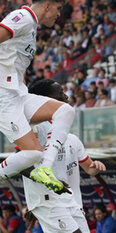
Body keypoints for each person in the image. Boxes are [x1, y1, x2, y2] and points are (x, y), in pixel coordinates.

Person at [0, 0, 75, 192]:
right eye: (58, 9)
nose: (59, 14)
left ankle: (45, 168)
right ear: (48, 5)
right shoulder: (23, 19)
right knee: (33, 153)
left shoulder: (31, 26)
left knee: (64, 111)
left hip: (18, 94)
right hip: (3, 99)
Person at [24, 79, 106, 233]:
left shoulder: (71, 138)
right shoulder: (37, 127)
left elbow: (89, 168)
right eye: (60, 93)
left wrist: (95, 167)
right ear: (46, 100)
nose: (67, 97)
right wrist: (47, 182)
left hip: (72, 202)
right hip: (49, 202)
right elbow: (21, 161)